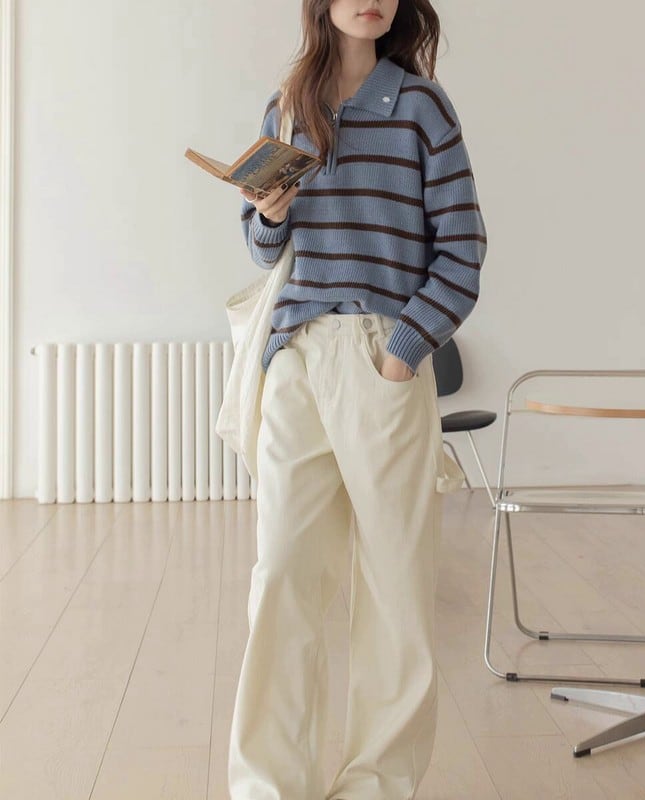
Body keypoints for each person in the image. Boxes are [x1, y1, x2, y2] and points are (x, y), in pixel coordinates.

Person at [227, 1, 487, 798]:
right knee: (283, 577)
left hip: (382, 356)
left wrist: (402, 354)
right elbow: (262, 245)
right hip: (297, 357)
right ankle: (270, 784)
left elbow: (463, 249)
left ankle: (375, 784)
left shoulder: (421, 108)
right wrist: (270, 214)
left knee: (394, 588)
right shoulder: (287, 107)